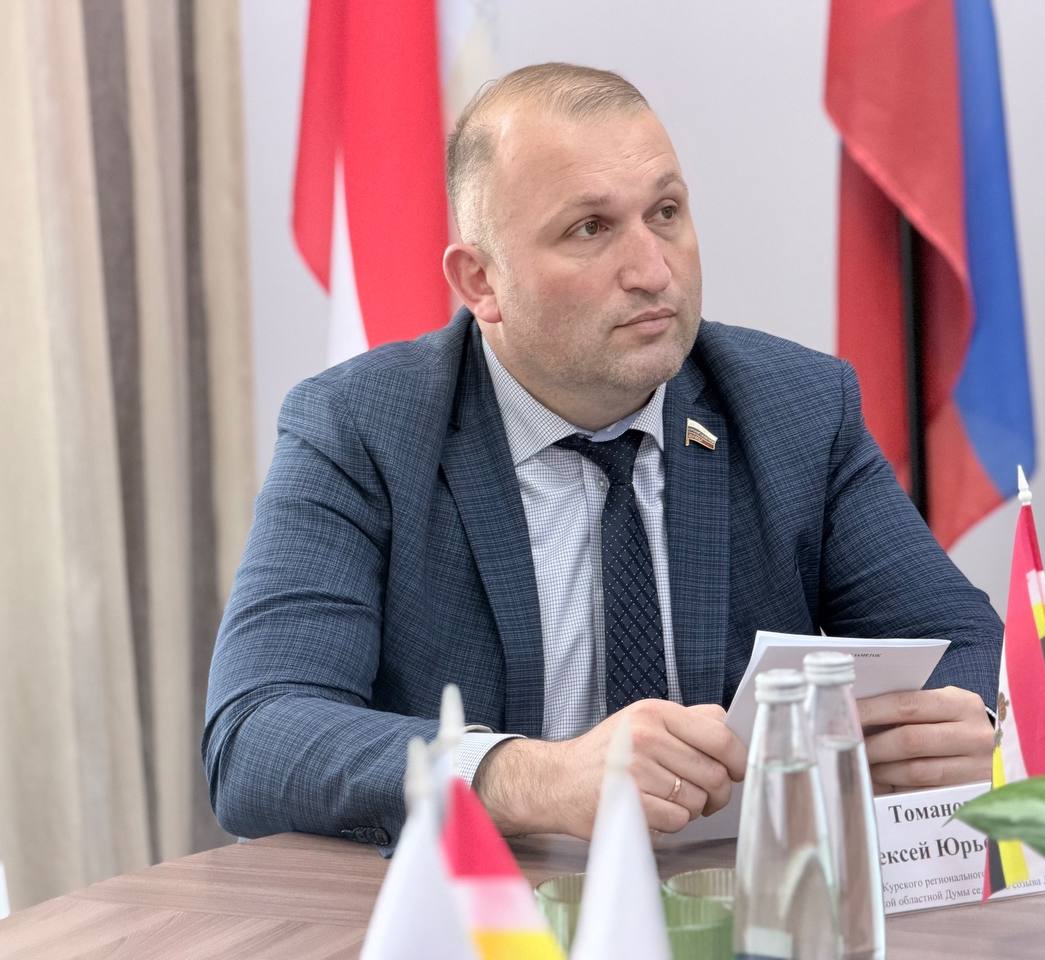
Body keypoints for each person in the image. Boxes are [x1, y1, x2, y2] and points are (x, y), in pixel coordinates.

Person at [203, 63, 999, 848]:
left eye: (666, 213)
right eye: (590, 229)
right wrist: (531, 777)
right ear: (481, 281)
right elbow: (256, 737)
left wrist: (955, 724)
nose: (653, 271)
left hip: (723, 896)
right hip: (478, 902)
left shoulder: (795, 408)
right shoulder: (362, 428)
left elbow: (964, 643)